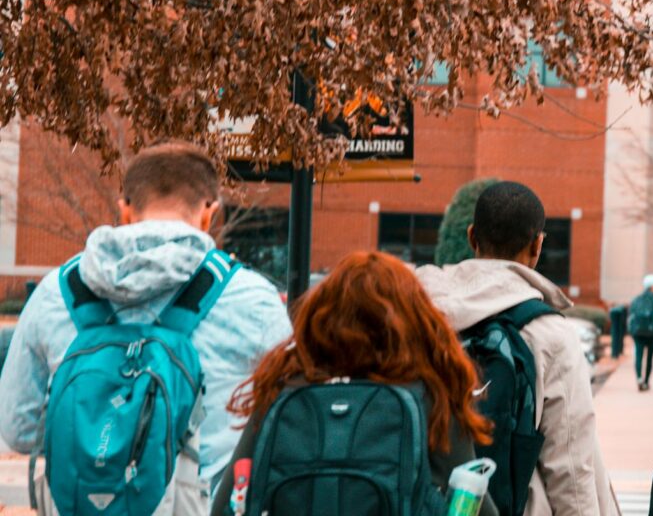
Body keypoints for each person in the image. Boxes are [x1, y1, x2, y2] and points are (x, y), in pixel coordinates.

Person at [0, 141, 292, 513]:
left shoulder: (56, 293)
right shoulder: (253, 299)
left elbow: (16, 430)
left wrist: (96, 427)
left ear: (124, 211)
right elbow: (285, 428)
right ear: (209, 213)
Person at [212, 252, 498, 516]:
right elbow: (475, 502)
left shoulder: (285, 390)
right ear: (414, 321)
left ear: (319, 318)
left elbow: (227, 503)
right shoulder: (430, 395)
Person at [416, 181, 619, 516]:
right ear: (537, 246)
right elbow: (569, 466)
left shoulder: (420, 318)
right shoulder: (549, 334)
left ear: (471, 237)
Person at [629, 274, 653, 391]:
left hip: (638, 332)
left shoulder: (637, 299)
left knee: (638, 355)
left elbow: (631, 314)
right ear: (652, 286)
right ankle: (646, 381)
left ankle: (639, 378)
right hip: (652, 333)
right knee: (649, 358)